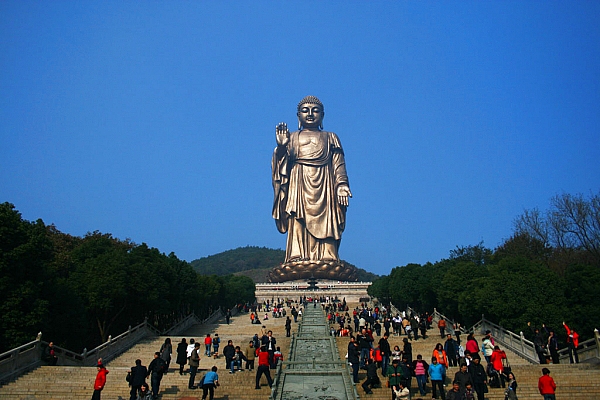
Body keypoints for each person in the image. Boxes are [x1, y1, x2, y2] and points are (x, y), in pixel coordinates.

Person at [270, 95, 355, 283]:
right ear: (298, 115)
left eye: (315, 110)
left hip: (325, 186)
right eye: (305, 110)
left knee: (327, 223)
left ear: (322, 115)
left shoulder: (330, 137)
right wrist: (282, 148)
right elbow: (280, 168)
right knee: (297, 220)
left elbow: (338, 164)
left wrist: (341, 185)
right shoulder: (292, 137)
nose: (310, 114)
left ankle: (328, 257)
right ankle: (296, 256)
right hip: (298, 183)